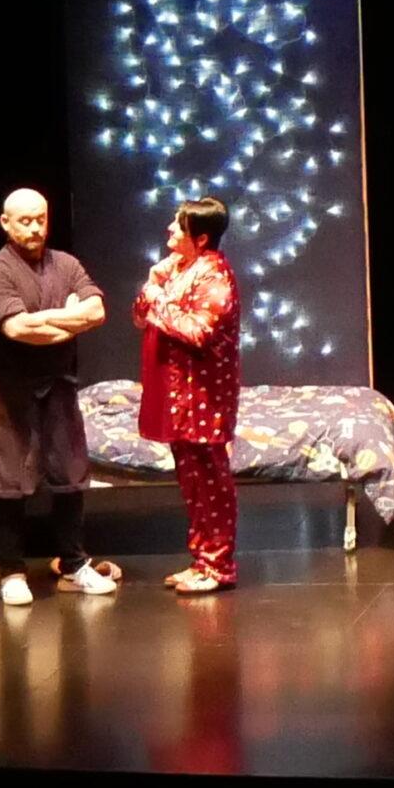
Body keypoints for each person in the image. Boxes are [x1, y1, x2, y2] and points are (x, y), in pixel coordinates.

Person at [0, 188, 120, 605]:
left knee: (70, 476)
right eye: (25, 220)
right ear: (5, 223)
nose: (35, 227)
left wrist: (47, 322)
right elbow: (17, 329)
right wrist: (69, 319)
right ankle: (12, 571)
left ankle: (74, 565)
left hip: (60, 385)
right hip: (13, 390)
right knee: (8, 480)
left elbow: (97, 312)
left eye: (41, 218)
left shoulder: (66, 264)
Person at [135, 196, 241, 592]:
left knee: (210, 479)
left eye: (178, 225)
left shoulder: (214, 275)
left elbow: (198, 331)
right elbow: (140, 315)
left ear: (201, 238)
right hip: (178, 394)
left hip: (203, 396)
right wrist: (155, 285)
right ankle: (202, 561)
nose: (169, 229)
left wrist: (157, 296)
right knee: (193, 481)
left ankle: (218, 566)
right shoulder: (179, 269)